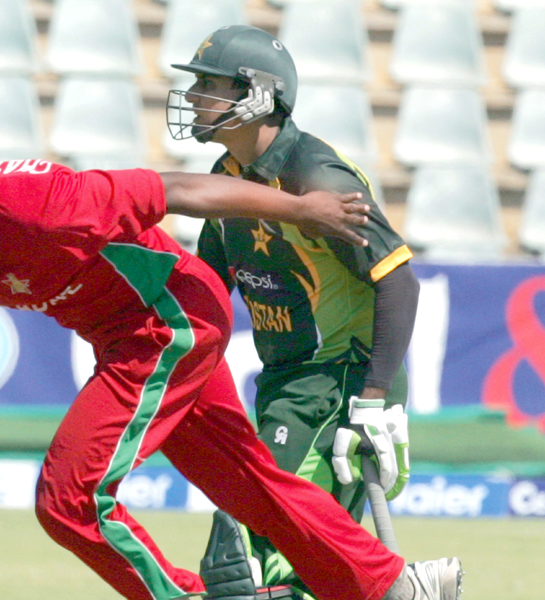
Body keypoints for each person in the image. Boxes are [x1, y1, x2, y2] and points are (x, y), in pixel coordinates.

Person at [0, 113, 460, 600]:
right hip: (130, 338)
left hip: (171, 320)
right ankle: (394, 585)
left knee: (68, 499)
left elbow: (177, 189)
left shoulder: (40, 202)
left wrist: (305, 209)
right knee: (248, 484)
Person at [167, 24, 426, 599]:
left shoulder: (316, 175)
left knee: (248, 551)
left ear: (260, 94)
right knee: (286, 565)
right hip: (285, 382)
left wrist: (377, 400)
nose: (190, 98)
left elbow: (400, 282)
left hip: (342, 381)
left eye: (208, 85)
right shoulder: (226, 179)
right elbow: (207, 289)